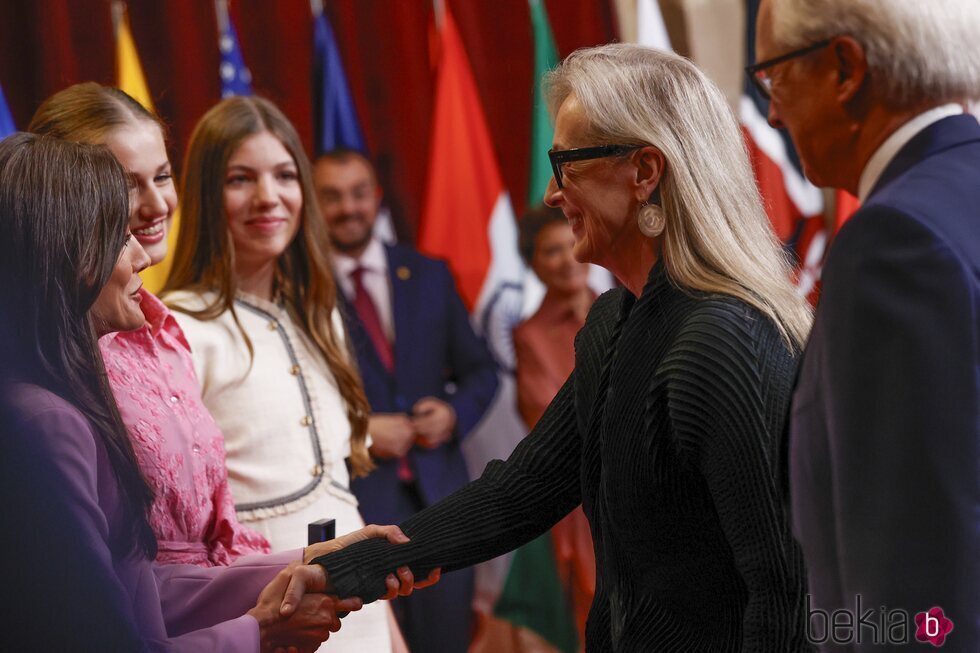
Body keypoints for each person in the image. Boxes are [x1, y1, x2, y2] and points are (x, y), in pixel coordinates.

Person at [307, 43, 815, 651]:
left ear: (645, 172)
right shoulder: (613, 320)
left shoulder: (724, 339)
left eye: (566, 163)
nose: (551, 194)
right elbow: (522, 491)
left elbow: (787, 591)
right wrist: (348, 568)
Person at [0, 131, 377, 652]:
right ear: (65, 254)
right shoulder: (43, 420)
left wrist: (317, 562)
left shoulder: (60, 402)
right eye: (118, 235)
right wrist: (257, 633)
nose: (143, 256)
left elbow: (138, 590)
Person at [753, 0, 980, 647]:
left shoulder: (893, 241)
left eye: (772, 76)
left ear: (844, 69)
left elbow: (914, 581)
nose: (770, 110)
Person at [163, 96, 402, 650]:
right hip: (261, 613)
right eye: (240, 179)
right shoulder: (178, 325)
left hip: (357, 612)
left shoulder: (320, 317)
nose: (268, 198)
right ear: (204, 194)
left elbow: (341, 495)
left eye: (285, 175)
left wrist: (390, 634)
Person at [28, 81, 271, 567]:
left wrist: (306, 571)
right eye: (126, 184)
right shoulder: (62, 356)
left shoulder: (164, 329)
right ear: (69, 198)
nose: (158, 204)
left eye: (162, 176)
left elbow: (216, 535)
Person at [313, 149, 499, 653]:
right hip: (357, 512)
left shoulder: (429, 274)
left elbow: (482, 371)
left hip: (442, 504)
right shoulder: (301, 291)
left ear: (376, 199)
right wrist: (363, 433)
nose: (347, 208)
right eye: (331, 196)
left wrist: (453, 413)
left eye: (357, 194)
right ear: (312, 204)